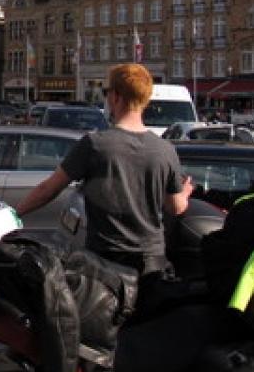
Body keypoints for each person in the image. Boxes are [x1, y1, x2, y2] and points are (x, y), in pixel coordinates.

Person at [16, 63, 194, 300]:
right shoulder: (165, 150)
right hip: (152, 262)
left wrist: (14, 214)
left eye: (107, 92)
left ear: (116, 97)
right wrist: (186, 192)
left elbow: (49, 189)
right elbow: (176, 207)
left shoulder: (95, 144)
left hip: (106, 264)